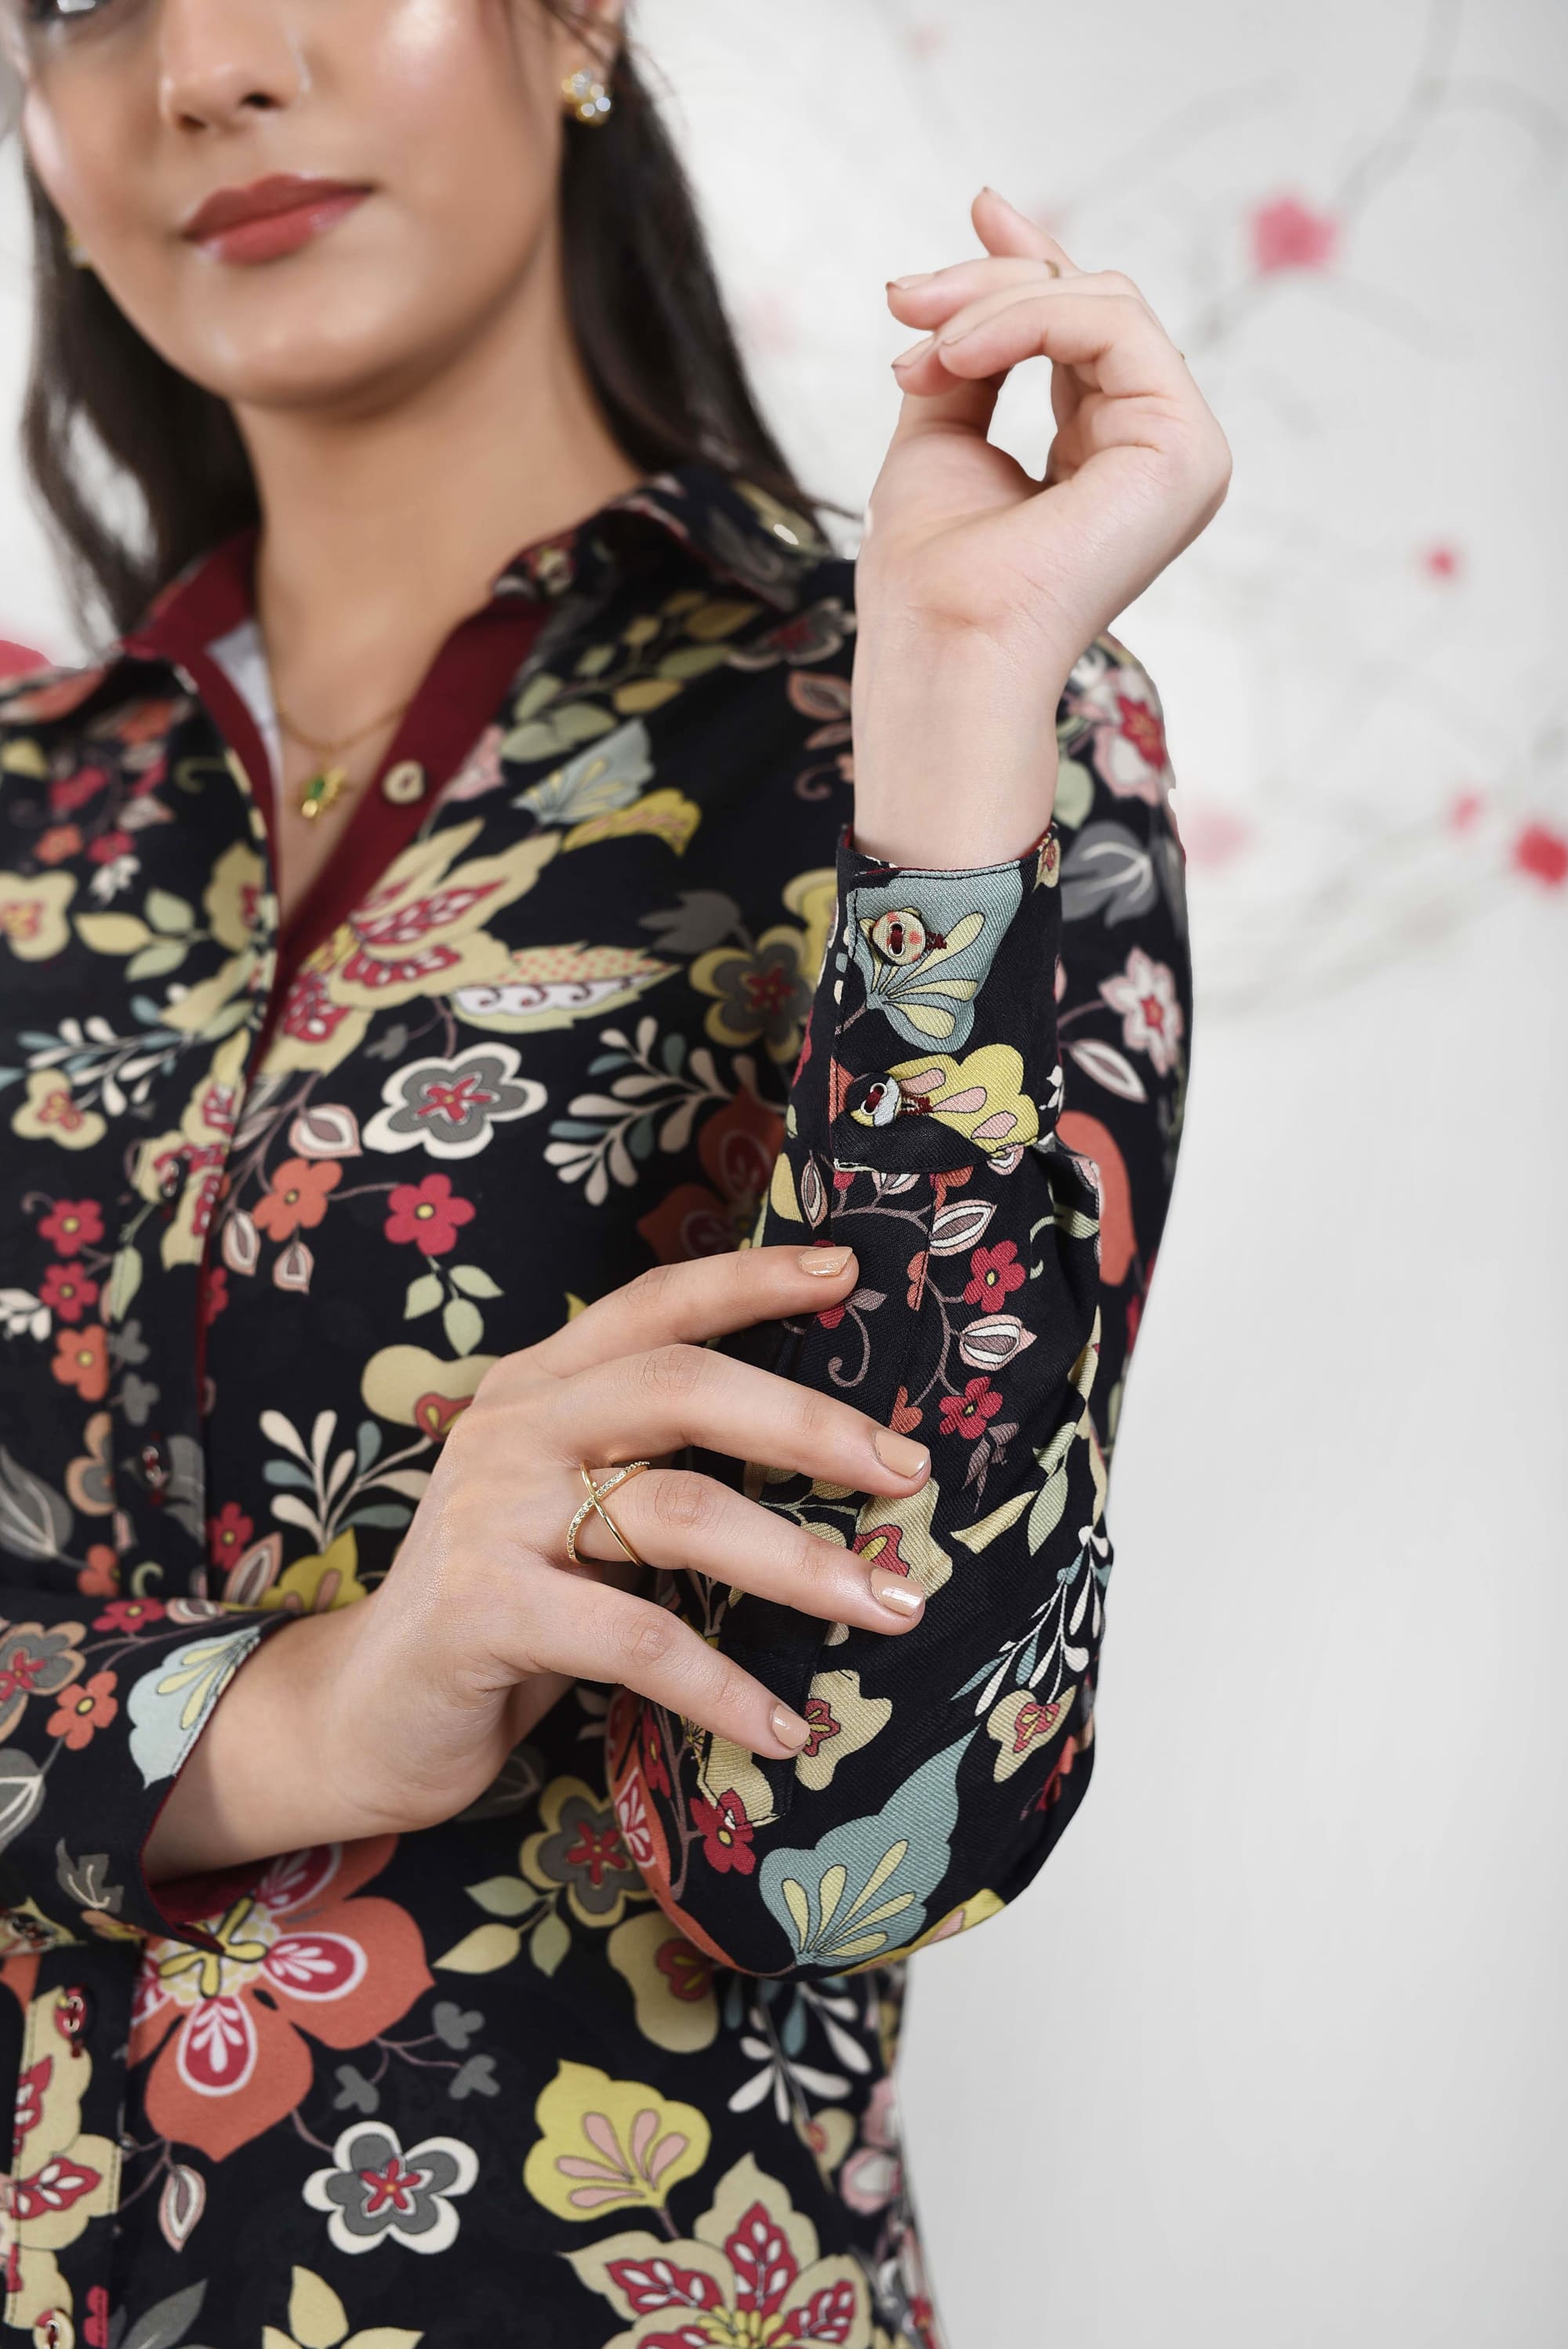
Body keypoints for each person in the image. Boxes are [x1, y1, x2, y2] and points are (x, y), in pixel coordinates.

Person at [0, 2, 1227, 2341]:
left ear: (574, 16)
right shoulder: (21, 809)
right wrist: (306, 1710)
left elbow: (852, 1838)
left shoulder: (924, 724)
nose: (204, 69)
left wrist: (952, 725)